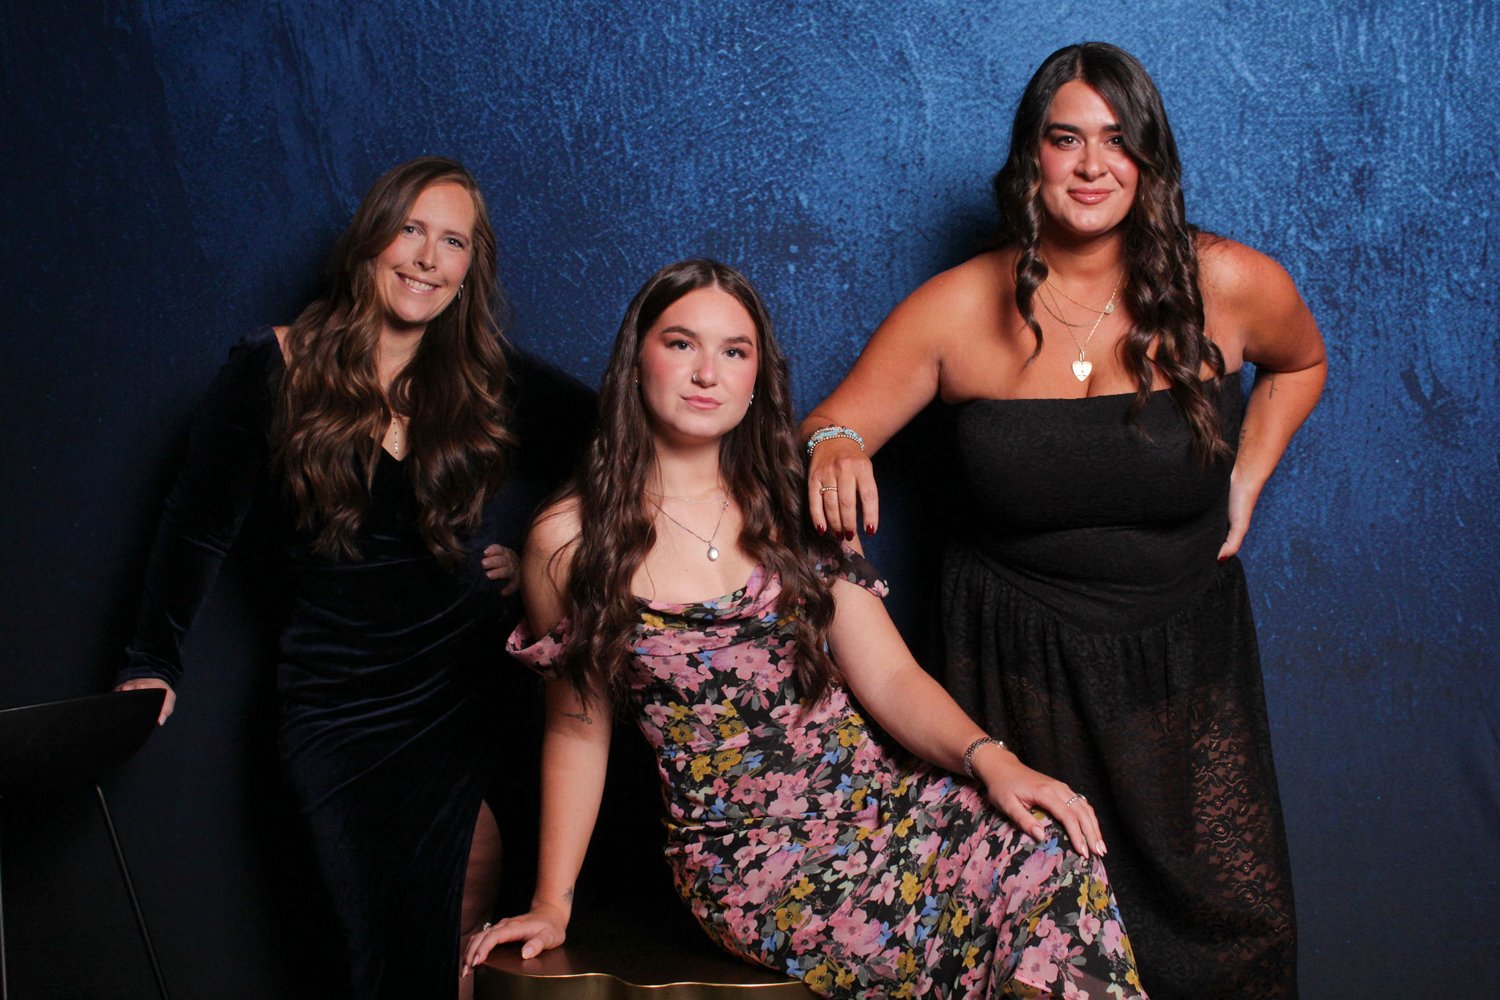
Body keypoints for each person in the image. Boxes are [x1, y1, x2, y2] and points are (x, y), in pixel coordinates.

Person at [464, 259, 1147, 998]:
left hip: (890, 804)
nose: (707, 373)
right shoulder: (567, 540)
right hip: (757, 864)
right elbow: (576, 729)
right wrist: (549, 903)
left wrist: (992, 760)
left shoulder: (796, 501)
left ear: (757, 378)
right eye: (681, 344)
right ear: (636, 361)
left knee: (1054, 857)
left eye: (734, 351)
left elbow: (887, 675)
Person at [799, 43, 1324, 1000]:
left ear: (1149, 161)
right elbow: (826, 423)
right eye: (1066, 139)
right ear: (1030, 159)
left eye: (1119, 142)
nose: (1092, 166)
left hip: (1180, 670)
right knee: (1036, 958)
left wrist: (1247, 475)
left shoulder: (1230, 284)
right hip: (1014, 675)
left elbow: (1302, 362)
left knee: (1231, 945)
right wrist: (832, 441)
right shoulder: (959, 305)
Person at [115, 157, 530, 999]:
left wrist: (546, 554)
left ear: (468, 270)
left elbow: (624, 436)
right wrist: (151, 655)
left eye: (451, 241)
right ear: (371, 239)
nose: (425, 256)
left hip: (461, 695)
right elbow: (196, 525)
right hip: (339, 708)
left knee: (459, 940)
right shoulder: (274, 366)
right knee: (372, 954)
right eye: (410, 229)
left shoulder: (481, 376)